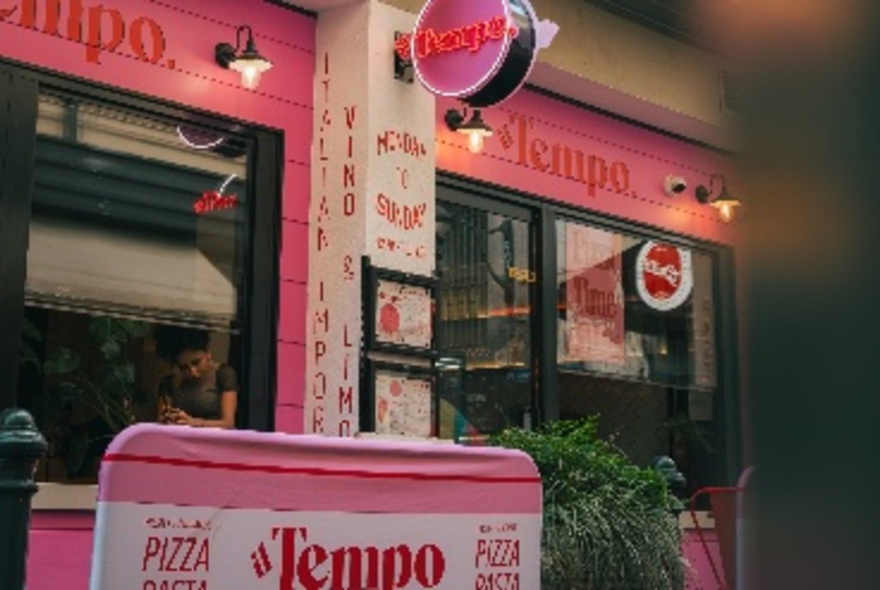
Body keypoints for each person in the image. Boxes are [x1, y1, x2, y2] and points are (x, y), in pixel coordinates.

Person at [154, 325, 238, 429]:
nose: (193, 372)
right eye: (184, 368)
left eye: (196, 362)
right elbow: (160, 427)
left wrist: (193, 422)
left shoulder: (223, 374)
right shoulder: (169, 383)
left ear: (208, 353)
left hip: (214, 441)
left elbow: (228, 424)